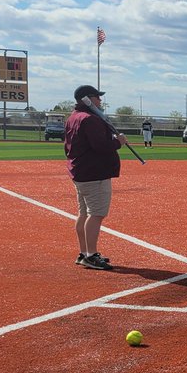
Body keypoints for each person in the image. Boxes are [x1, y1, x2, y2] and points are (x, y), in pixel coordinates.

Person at [64, 84, 126, 270]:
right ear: (87, 99)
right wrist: (118, 142)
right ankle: (91, 255)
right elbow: (101, 146)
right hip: (94, 173)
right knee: (96, 214)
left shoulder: (74, 117)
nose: (100, 101)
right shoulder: (90, 119)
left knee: (84, 213)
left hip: (80, 172)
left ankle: (84, 253)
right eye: (97, 97)